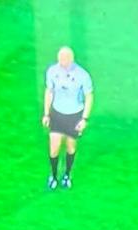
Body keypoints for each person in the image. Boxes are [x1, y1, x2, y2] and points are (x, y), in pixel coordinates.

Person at [42, 43, 92, 189]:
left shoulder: (82, 75)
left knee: (71, 147)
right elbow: (49, 91)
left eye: (64, 59)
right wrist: (46, 114)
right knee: (54, 148)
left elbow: (89, 96)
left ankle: (67, 174)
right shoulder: (52, 71)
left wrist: (84, 119)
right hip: (57, 114)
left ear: (71, 59)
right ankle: (53, 175)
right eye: (60, 59)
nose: (62, 62)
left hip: (74, 116)